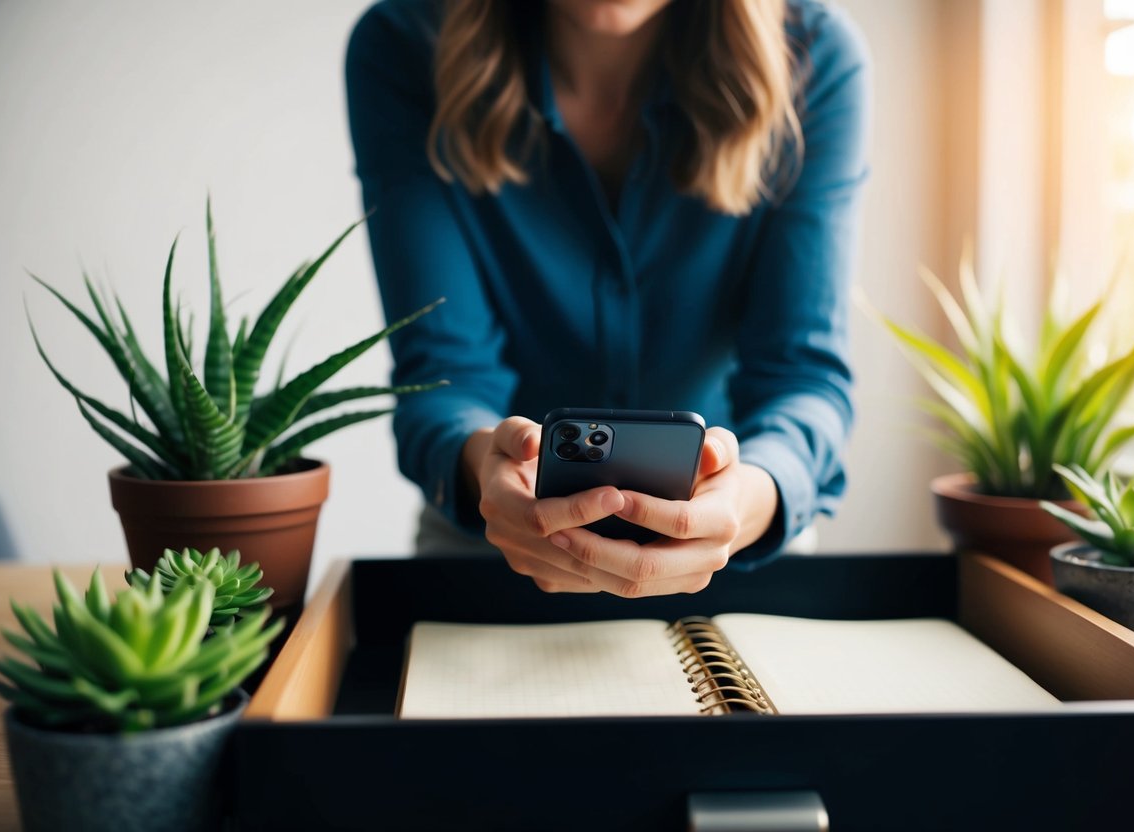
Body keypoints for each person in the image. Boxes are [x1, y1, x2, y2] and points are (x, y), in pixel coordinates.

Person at [346, 0, 869, 597]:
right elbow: (442, 376)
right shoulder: (404, 45)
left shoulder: (814, 57)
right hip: (497, 541)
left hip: (732, 542)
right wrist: (487, 470)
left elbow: (802, 374)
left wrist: (757, 494)